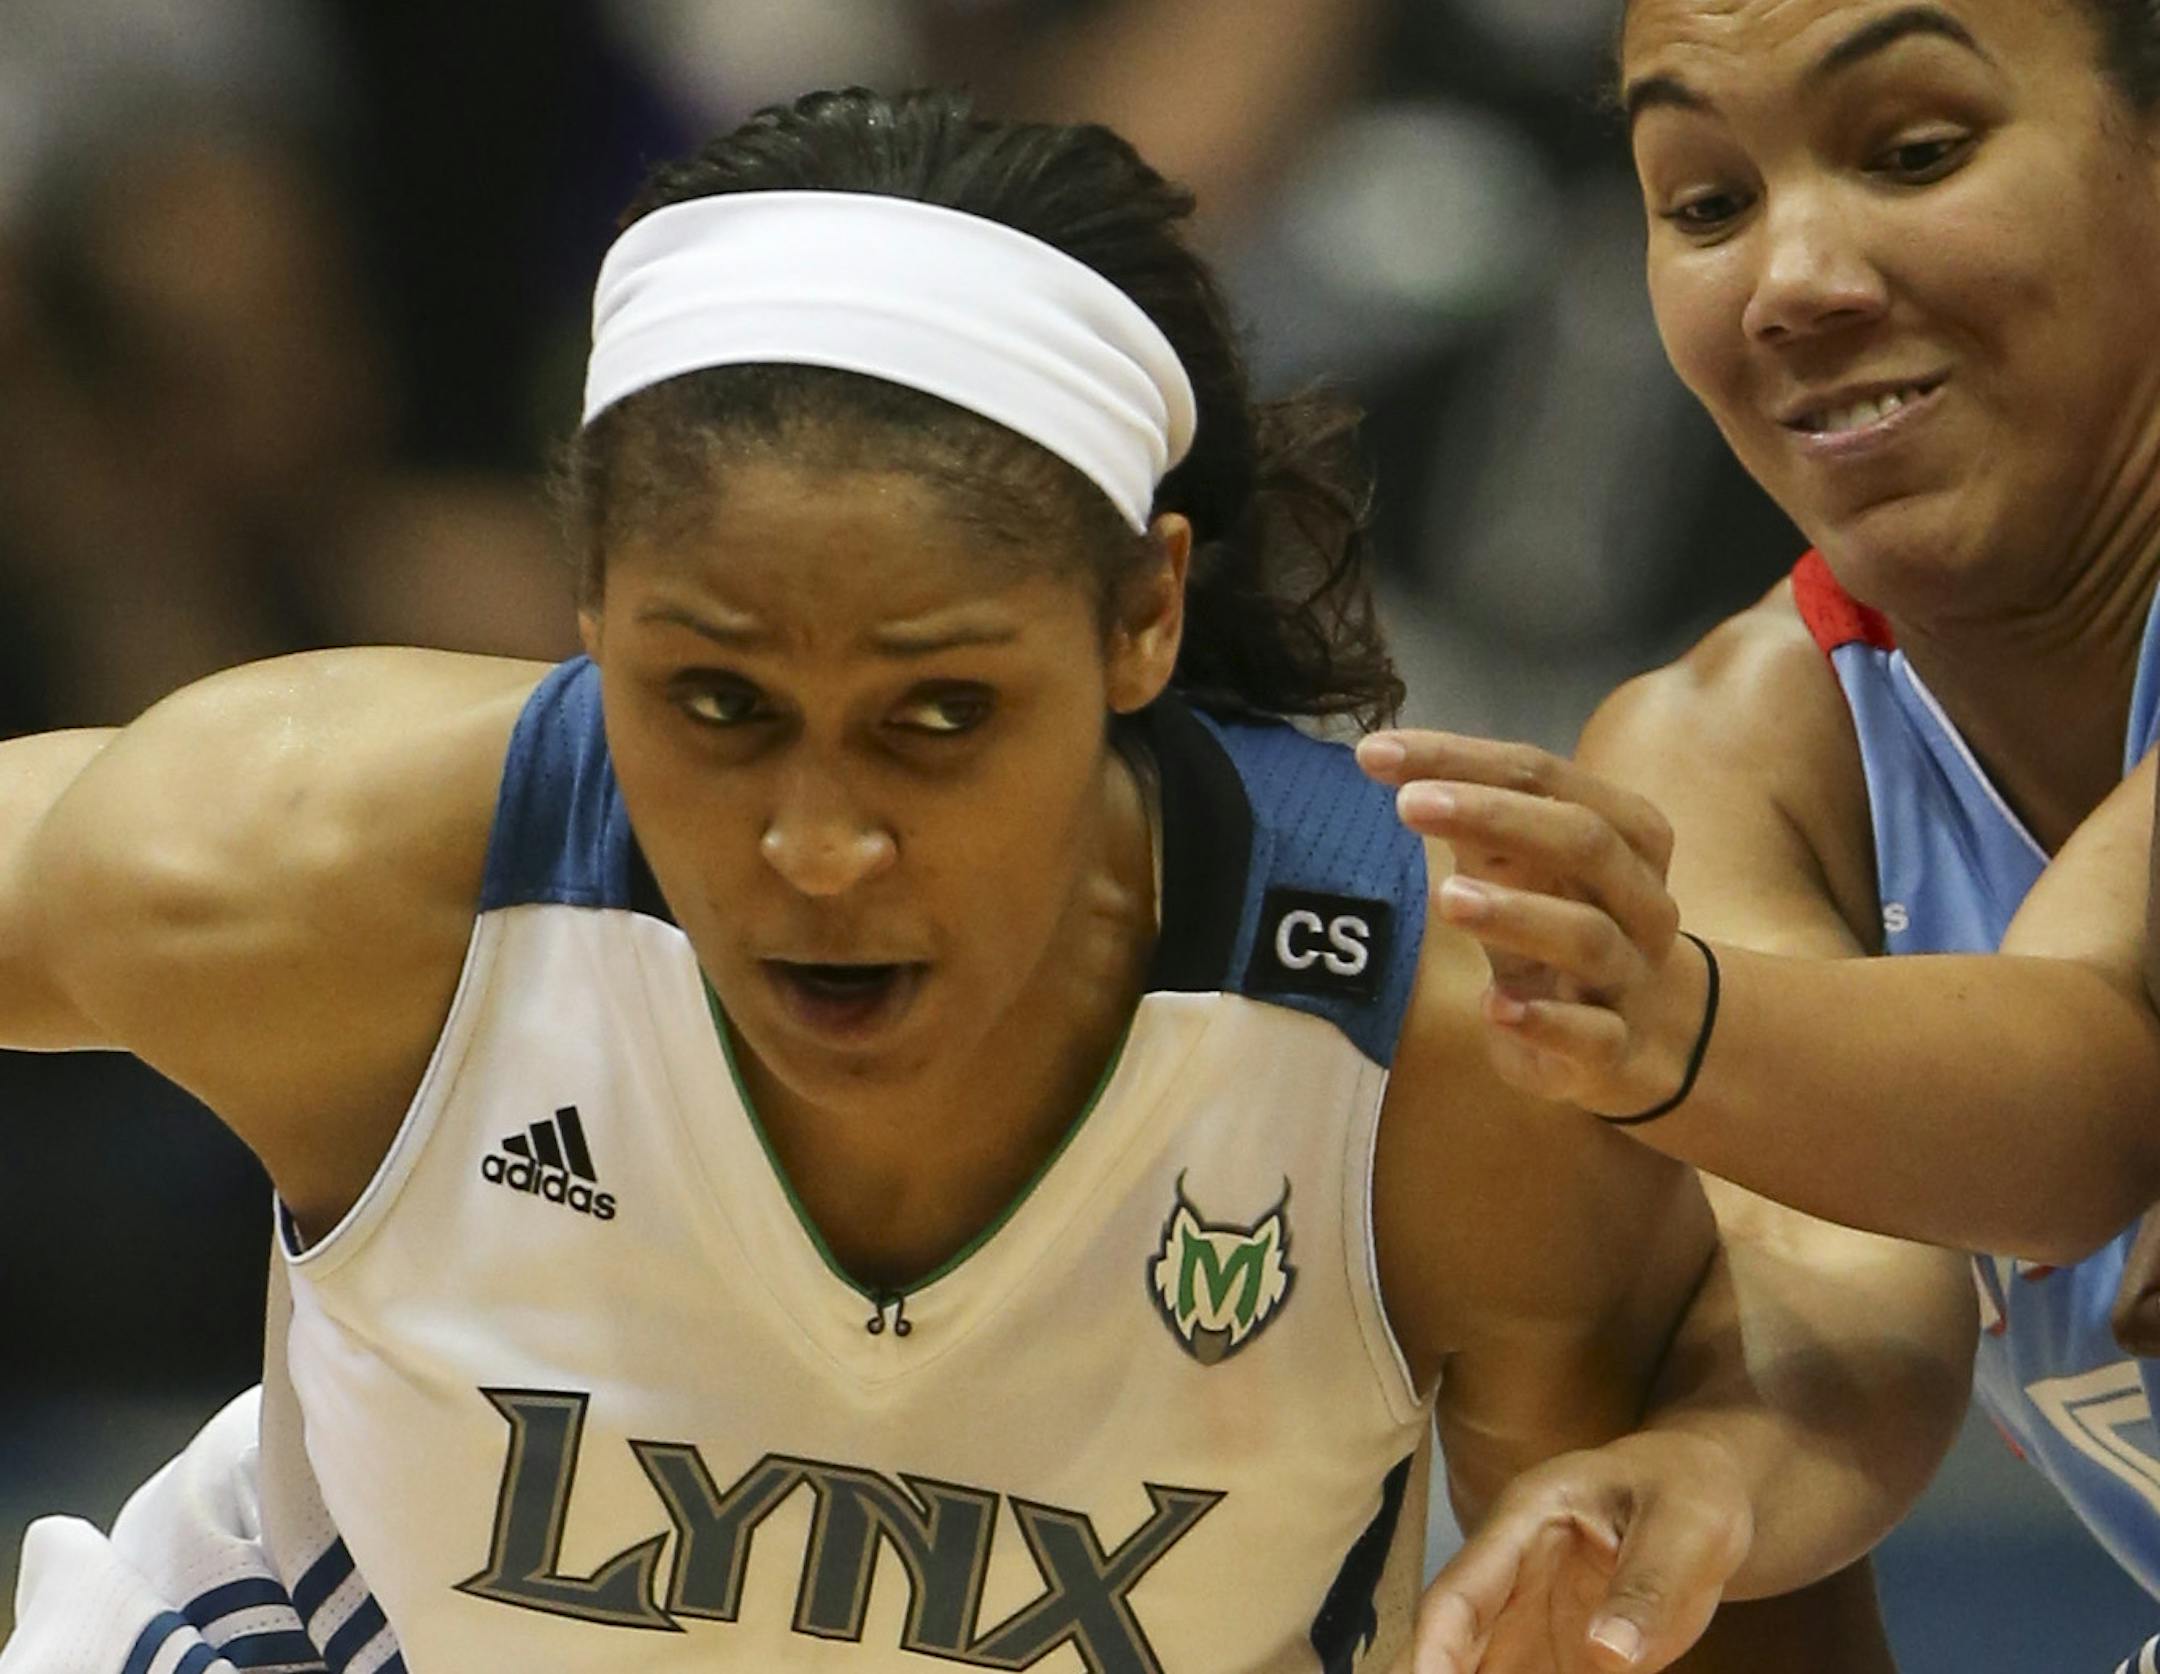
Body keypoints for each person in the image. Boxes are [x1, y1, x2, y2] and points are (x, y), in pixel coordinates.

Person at [0, 88, 1932, 1673]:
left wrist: (1695, 1475)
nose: (820, 848)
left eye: (936, 716)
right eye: (716, 702)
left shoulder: (1422, 1043)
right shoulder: (314, 860)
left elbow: (1745, 1528)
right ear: (583, 611)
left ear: (1145, 618)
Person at [1365, 0, 2160, 1664]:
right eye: (1706, 202)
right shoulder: (1727, 748)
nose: (1794, 280)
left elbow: (2088, 1085)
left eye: (1915, 151)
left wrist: (1678, 1027)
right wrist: (1696, 1476)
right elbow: (1843, 1280)